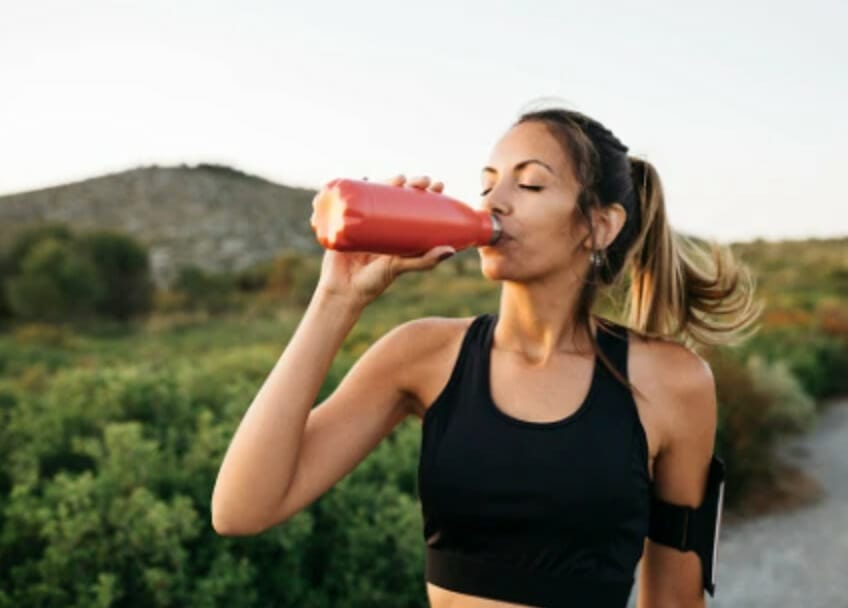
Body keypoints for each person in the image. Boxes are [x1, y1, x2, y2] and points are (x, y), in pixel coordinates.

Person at [211, 105, 763, 607]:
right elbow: (241, 509)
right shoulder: (422, 354)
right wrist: (337, 298)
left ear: (599, 225)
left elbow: (674, 601)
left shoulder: (672, 382)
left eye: (529, 184)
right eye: (488, 183)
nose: (494, 202)